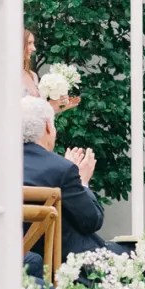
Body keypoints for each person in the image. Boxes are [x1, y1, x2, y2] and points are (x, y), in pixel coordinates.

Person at [20, 96, 128, 258]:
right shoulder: (61, 169)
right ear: (48, 127)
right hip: (71, 260)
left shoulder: (0, 167)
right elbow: (91, 221)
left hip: (27, 258)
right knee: (144, 251)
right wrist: (82, 181)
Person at [22, 29, 80, 115]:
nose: (34, 48)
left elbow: (40, 114)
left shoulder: (32, 76)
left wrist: (59, 106)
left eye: (33, 43)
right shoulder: (7, 77)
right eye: (29, 43)